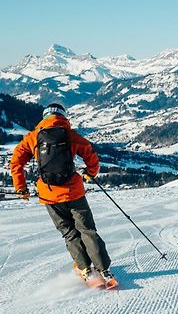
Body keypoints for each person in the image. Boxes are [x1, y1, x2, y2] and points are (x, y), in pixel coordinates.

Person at [10, 103, 115, 282]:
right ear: (63, 116)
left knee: (69, 232)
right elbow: (90, 153)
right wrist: (90, 173)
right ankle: (104, 270)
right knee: (87, 229)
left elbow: (16, 163)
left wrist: (21, 188)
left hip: (49, 195)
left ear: (44, 117)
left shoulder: (33, 137)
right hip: (74, 191)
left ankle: (85, 270)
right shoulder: (71, 135)